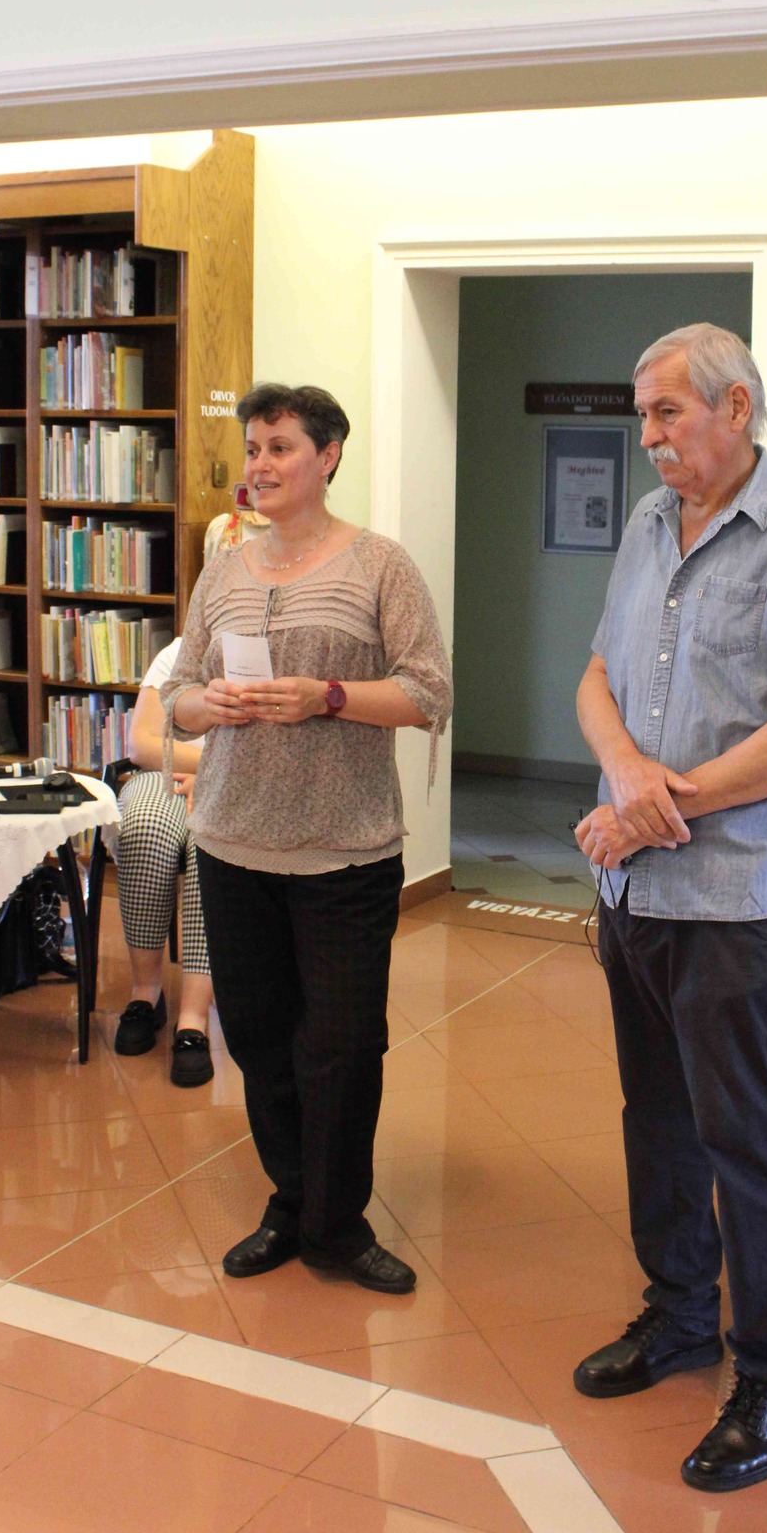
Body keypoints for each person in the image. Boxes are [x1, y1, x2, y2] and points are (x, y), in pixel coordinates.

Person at [572, 323, 767, 1493]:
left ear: (736, 405)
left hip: (732, 895)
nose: (649, 436)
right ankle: (678, 1312)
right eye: (642, 415)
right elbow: (596, 675)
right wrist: (627, 778)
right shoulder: (649, 524)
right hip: (633, 885)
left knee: (743, 1133)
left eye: (667, 411)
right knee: (654, 1113)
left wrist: (658, 805)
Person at [162, 382, 452, 1294]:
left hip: (344, 851)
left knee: (343, 1044)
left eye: (279, 447)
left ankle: (337, 1226)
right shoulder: (224, 571)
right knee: (258, 1037)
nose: (260, 465)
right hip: (231, 844)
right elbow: (178, 694)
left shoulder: (380, 565)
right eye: (253, 448)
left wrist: (326, 697)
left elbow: (428, 692)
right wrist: (209, 704)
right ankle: (291, 1202)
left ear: (326, 457)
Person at [111, 507, 265, 1084]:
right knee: (144, 828)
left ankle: (194, 1017)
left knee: (211, 844)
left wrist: (217, 775)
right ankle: (144, 993)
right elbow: (143, 743)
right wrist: (207, 763)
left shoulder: (270, 656)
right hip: (166, 777)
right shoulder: (177, 652)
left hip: (238, 789)